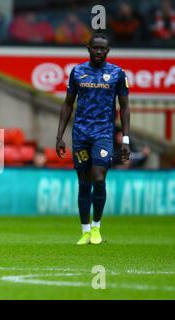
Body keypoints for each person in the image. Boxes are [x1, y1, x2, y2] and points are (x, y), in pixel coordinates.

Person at [55, 33, 130, 245]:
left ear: (108, 50)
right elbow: (68, 103)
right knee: (84, 182)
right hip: (80, 135)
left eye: (102, 48)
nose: (98, 51)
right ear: (88, 48)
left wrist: (125, 138)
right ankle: (85, 230)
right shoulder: (77, 72)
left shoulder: (117, 74)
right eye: (94, 48)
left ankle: (97, 227)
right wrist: (60, 136)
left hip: (103, 134)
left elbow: (124, 107)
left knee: (99, 177)